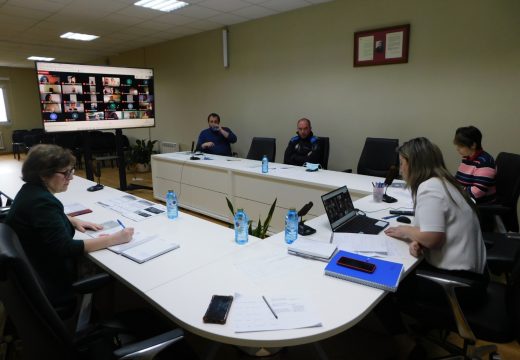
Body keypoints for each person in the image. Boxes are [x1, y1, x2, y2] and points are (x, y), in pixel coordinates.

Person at [376, 137, 487, 358]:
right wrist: (421, 239)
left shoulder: (429, 189)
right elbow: (438, 230)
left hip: (458, 287)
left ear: (413, 163)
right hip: (476, 277)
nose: (400, 168)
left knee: (380, 286)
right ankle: (419, 326)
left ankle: (407, 346)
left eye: (402, 162)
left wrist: (408, 232)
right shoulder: (444, 182)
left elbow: (434, 237)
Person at [5, 144, 133, 314]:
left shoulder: (31, 192)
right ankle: (107, 313)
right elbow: (65, 247)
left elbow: (40, 218)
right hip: (50, 277)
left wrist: (71, 220)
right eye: (66, 173)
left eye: (71, 171)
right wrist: (114, 239)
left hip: (33, 267)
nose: (70, 178)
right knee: (115, 267)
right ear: (43, 174)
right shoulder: (43, 203)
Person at [453, 125, 496, 204]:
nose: (457, 148)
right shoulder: (467, 158)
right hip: (466, 198)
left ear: (473, 145)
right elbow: (458, 181)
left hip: (481, 203)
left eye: (461, 145)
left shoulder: (485, 162)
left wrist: (456, 191)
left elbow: (478, 191)